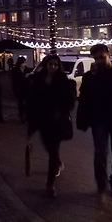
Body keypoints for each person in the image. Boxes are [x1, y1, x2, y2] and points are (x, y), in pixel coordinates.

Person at [77, 44, 112, 201]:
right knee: (100, 154)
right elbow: (84, 100)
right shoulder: (90, 76)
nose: (100, 61)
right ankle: (101, 184)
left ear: (109, 54)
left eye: (102, 57)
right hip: (99, 120)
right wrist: (82, 120)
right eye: (96, 58)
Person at [26, 55, 76, 198]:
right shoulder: (38, 79)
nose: (53, 67)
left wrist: (64, 101)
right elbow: (32, 102)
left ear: (58, 66)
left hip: (57, 121)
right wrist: (30, 126)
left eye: (55, 64)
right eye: (50, 64)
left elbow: (70, 104)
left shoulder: (63, 81)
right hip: (42, 121)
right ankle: (58, 162)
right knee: (48, 147)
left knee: (53, 151)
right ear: (46, 65)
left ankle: (50, 184)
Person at [12, 57, 30, 123]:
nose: (24, 64)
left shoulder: (26, 69)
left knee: (27, 103)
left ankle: (26, 116)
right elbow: (14, 80)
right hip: (19, 89)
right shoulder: (15, 70)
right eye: (23, 62)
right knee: (20, 103)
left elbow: (29, 77)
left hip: (26, 89)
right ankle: (21, 116)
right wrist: (24, 77)